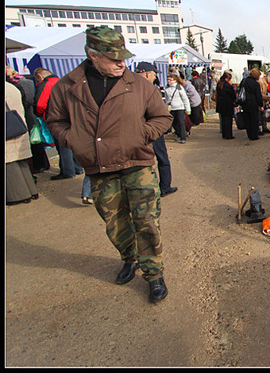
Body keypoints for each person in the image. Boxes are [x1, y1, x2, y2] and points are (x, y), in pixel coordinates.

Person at [45, 26, 173, 303]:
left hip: (138, 163)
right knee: (114, 222)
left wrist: (141, 135)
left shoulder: (139, 85)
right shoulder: (67, 87)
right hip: (99, 168)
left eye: (123, 57)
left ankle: (154, 273)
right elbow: (54, 121)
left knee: (146, 221)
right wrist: (73, 140)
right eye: (114, 58)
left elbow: (163, 118)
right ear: (93, 55)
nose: (121, 63)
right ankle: (129, 258)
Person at [135, 62, 178, 197]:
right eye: (154, 74)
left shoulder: (126, 87)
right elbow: (159, 112)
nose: (154, 77)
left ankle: (141, 189)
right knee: (162, 158)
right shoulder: (150, 89)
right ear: (148, 74)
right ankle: (164, 187)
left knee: (138, 161)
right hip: (151, 129)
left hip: (134, 132)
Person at [33, 67, 83, 180]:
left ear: (40, 77)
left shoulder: (46, 84)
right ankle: (77, 168)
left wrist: (39, 114)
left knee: (62, 145)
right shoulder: (64, 81)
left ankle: (67, 171)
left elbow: (40, 104)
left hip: (57, 118)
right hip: (72, 116)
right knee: (72, 143)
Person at [6, 80, 39, 205]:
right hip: (18, 126)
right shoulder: (11, 87)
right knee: (21, 163)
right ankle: (31, 190)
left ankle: (19, 196)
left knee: (9, 166)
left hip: (8, 131)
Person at [165, 72, 191, 143]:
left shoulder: (179, 88)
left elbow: (185, 98)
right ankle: (178, 134)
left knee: (181, 122)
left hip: (180, 108)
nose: (169, 81)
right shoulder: (167, 89)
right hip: (171, 108)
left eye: (171, 79)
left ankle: (183, 137)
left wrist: (188, 109)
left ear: (175, 80)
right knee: (173, 123)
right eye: (168, 79)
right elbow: (167, 99)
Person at [242, 68, 264, 140]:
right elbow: (258, 95)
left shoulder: (244, 81)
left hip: (245, 103)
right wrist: (260, 104)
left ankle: (249, 134)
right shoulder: (255, 84)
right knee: (254, 120)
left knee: (247, 120)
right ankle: (254, 135)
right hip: (253, 103)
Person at [215, 71, 237, 139]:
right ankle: (228, 135)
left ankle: (224, 134)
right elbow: (233, 95)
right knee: (228, 120)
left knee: (223, 120)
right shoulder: (228, 86)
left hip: (220, 104)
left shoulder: (219, 84)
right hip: (227, 104)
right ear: (227, 79)